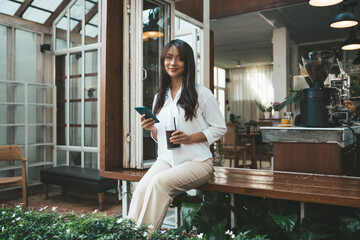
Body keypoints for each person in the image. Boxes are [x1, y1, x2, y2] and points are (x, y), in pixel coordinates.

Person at [128, 39, 227, 230]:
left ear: (187, 63)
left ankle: (144, 235)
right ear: (163, 61)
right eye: (168, 57)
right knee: (140, 189)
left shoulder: (201, 93)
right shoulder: (160, 97)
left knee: (159, 184)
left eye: (179, 59)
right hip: (167, 160)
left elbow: (220, 128)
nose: (173, 63)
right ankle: (128, 233)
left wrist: (190, 138)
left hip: (197, 162)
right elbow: (160, 135)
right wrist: (151, 129)